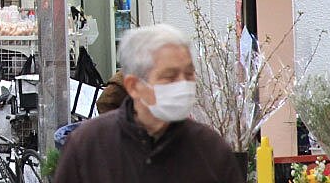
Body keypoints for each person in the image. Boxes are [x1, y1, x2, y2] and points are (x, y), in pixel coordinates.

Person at [53, 25, 240, 183]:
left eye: (189, 74)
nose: (183, 84)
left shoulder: (211, 150)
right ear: (134, 86)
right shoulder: (88, 146)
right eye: (169, 76)